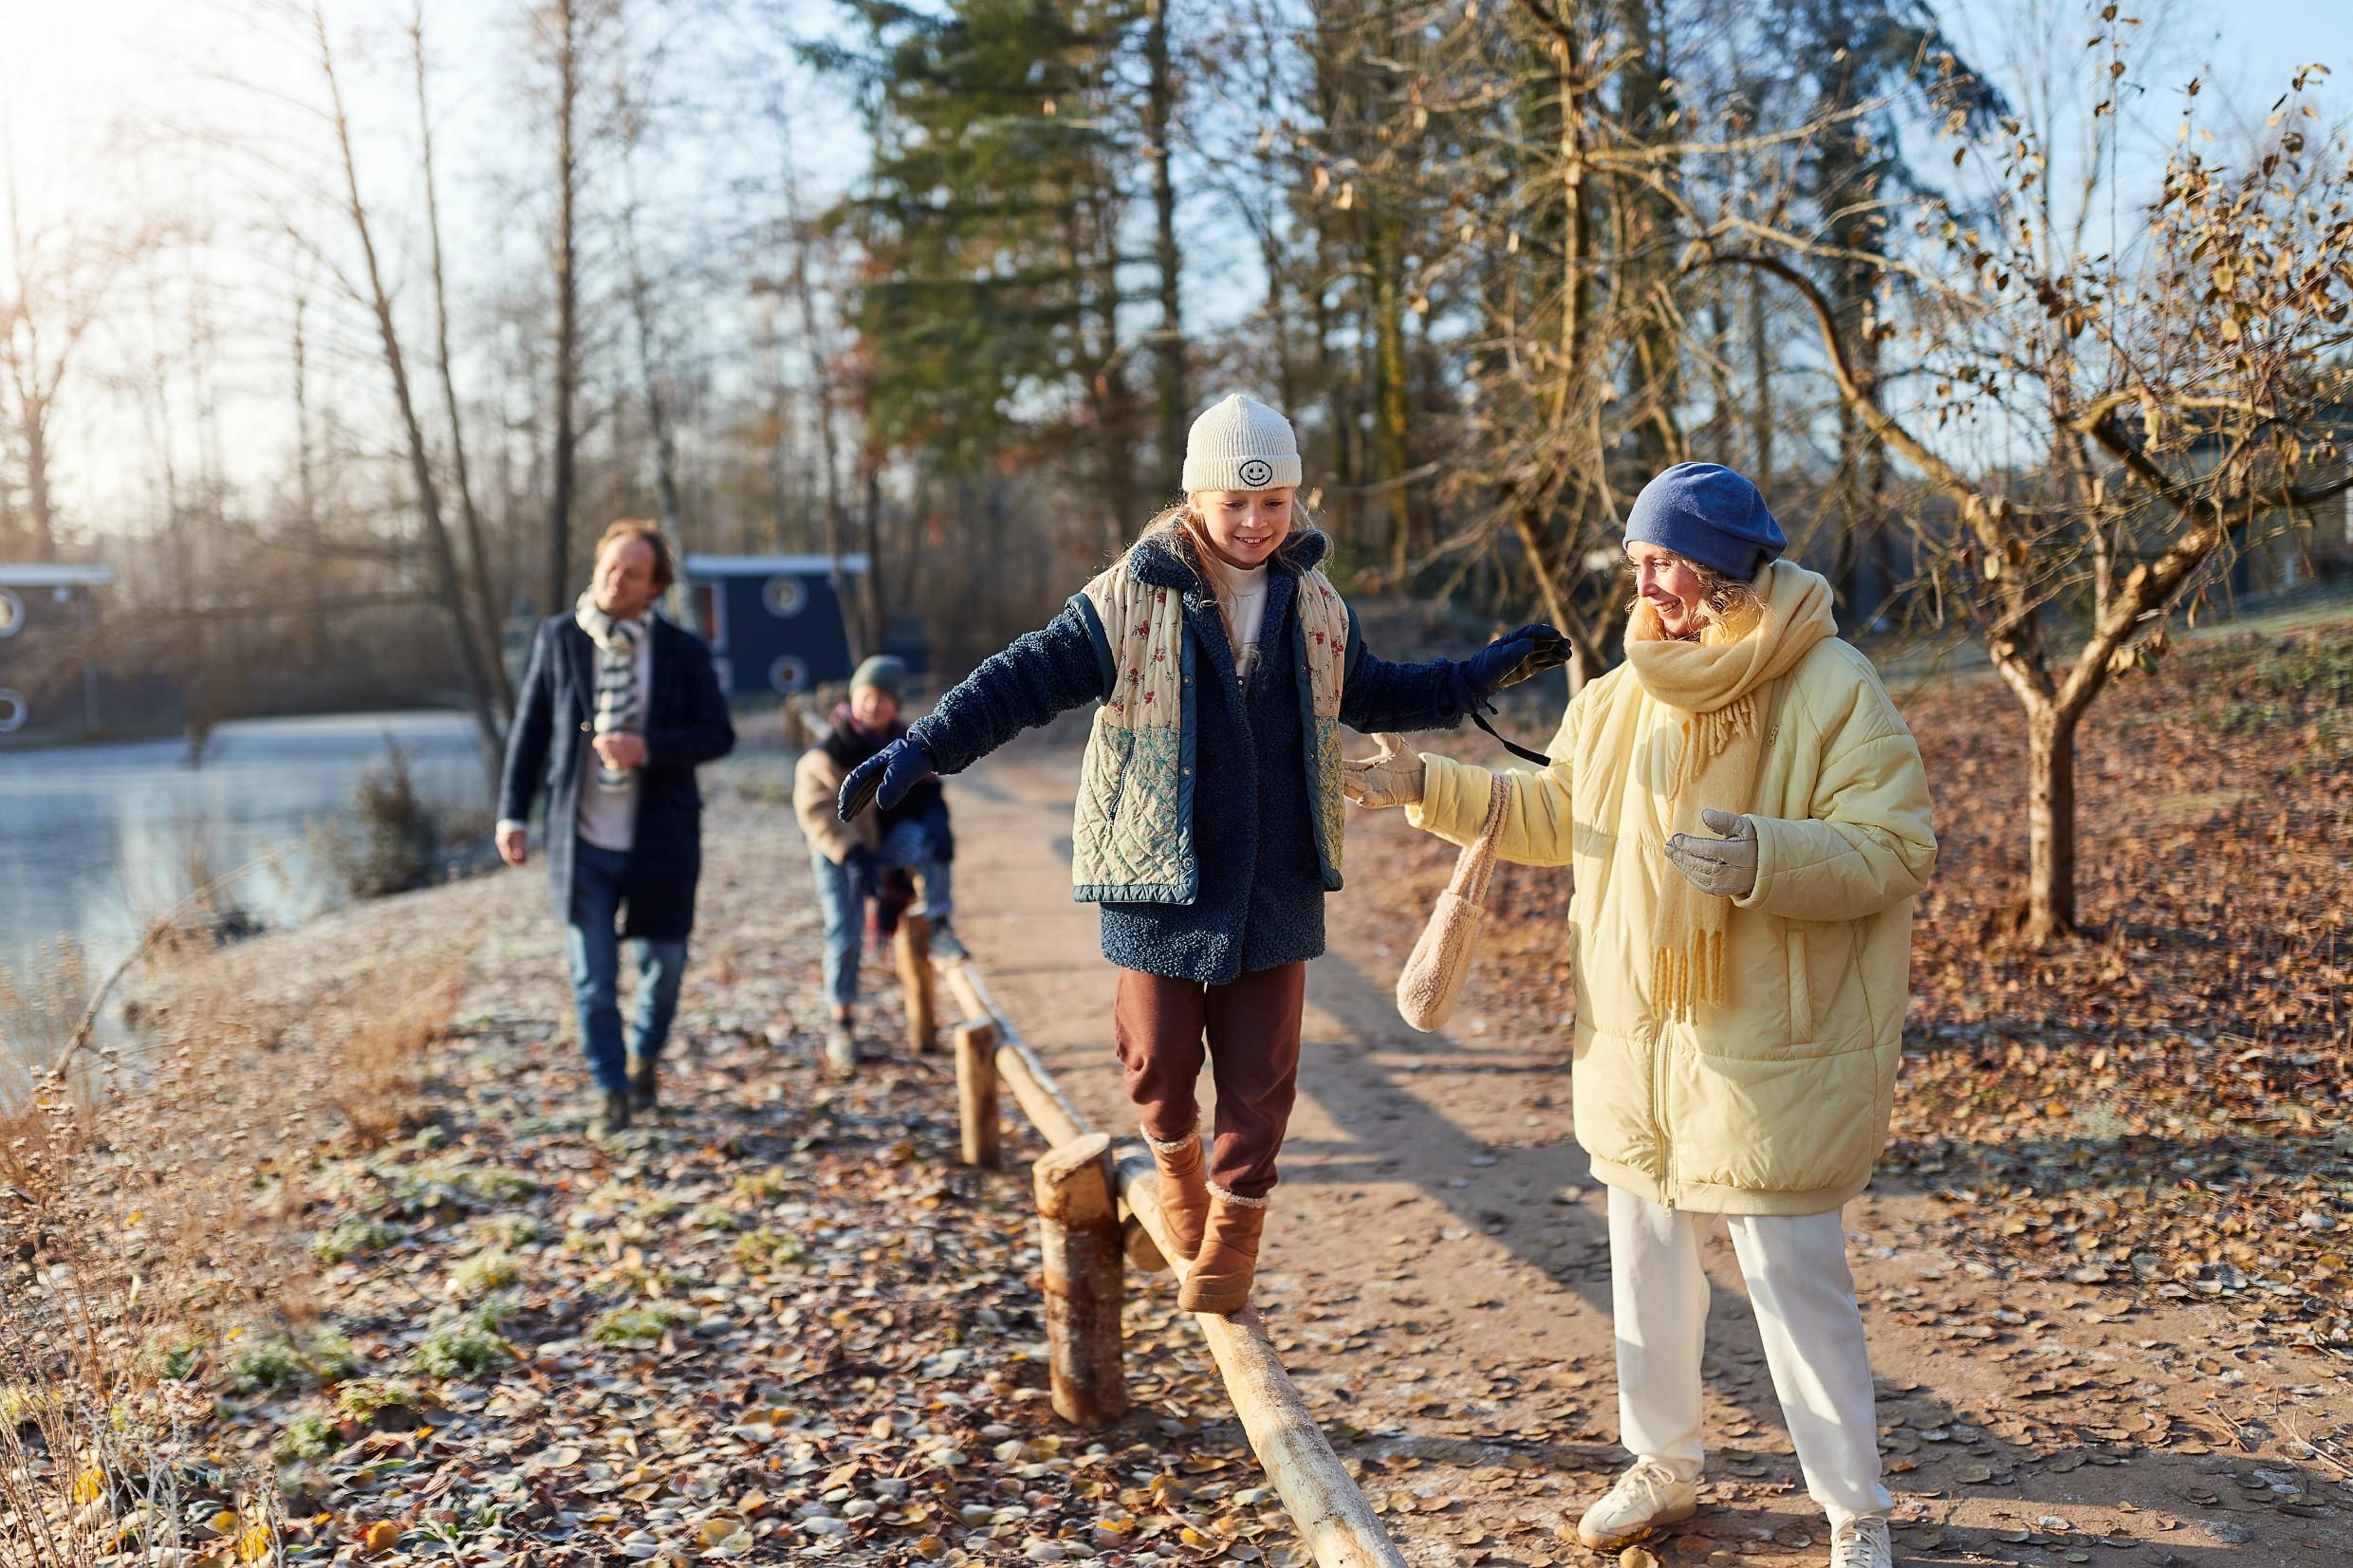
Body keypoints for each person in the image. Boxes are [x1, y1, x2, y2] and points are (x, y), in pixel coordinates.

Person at [839, 393, 1568, 1313]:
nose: (1257, 523)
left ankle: (1234, 1227)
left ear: (1294, 501)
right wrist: (922, 746)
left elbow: (1374, 692)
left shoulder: (1314, 602)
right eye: (1236, 503)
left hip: (1275, 871)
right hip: (1158, 872)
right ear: (1194, 499)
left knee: (1262, 1071)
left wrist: (1477, 673)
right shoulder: (1127, 595)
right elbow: (1020, 678)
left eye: (1275, 504)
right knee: (1154, 1057)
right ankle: (1173, 1157)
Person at [1343, 462, 1936, 1568]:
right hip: (1634, 1036)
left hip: (1770, 1045)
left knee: (1791, 1278)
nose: (1644, 583)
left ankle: (1853, 1510)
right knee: (1647, 1264)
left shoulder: (1829, 685)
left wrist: (1767, 854)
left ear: (1722, 565)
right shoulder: (1617, 696)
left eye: (1662, 561)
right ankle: (1661, 1463)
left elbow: (1896, 846)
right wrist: (1422, 782)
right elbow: (1557, 814)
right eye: (1637, 562)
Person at [496, 520, 736, 1134]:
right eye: (608, 566)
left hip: (662, 838)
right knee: (593, 978)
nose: (614, 579)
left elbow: (719, 733)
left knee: (666, 964)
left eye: (631, 572)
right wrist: (512, 813)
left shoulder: (682, 650)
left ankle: (644, 1057)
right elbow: (530, 733)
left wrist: (646, 748)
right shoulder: (560, 638)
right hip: (582, 842)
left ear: (653, 587)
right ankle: (610, 1088)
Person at [792, 654, 962, 1071]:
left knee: (929, 841)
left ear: (896, 705)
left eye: (884, 698)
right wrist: (853, 855)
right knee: (844, 931)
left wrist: (936, 817)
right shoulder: (828, 753)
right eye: (868, 696)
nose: (875, 705)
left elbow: (924, 795)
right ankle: (842, 1023)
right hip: (840, 854)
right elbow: (816, 814)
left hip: (883, 845)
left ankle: (940, 923)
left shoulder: (909, 746)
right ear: (853, 698)